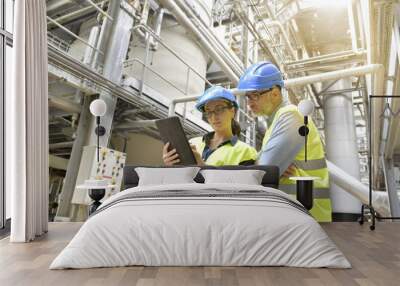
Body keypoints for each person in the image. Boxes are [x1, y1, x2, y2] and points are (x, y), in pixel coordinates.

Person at [237, 61, 331, 222]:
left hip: (307, 215)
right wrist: (270, 167)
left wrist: (269, 168)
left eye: (255, 95)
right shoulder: (276, 122)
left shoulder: (292, 115)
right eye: (247, 97)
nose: (249, 103)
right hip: (296, 215)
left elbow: (263, 173)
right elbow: (263, 166)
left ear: (274, 92)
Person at [162, 86, 257, 166]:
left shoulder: (246, 152)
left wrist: (201, 166)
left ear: (232, 111)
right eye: (208, 111)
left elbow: (241, 186)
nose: (214, 117)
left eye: (219, 109)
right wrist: (171, 164)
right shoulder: (192, 143)